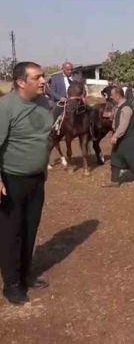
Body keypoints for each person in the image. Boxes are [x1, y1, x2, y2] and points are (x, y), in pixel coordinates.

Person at [0, 62, 53, 305]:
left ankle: (24, 276)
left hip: (36, 180)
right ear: (22, 82)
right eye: (38, 77)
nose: (43, 81)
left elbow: (43, 138)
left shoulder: (44, 103)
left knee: (30, 229)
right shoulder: (6, 107)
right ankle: (11, 285)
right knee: (12, 234)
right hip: (11, 180)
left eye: (43, 76)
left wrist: (42, 168)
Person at [103, 86, 134, 187]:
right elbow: (117, 121)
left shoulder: (126, 108)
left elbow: (123, 125)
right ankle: (114, 181)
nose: (111, 97)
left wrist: (115, 136)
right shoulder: (118, 106)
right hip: (121, 138)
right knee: (115, 159)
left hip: (129, 139)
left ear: (118, 96)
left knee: (131, 160)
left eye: (112, 95)